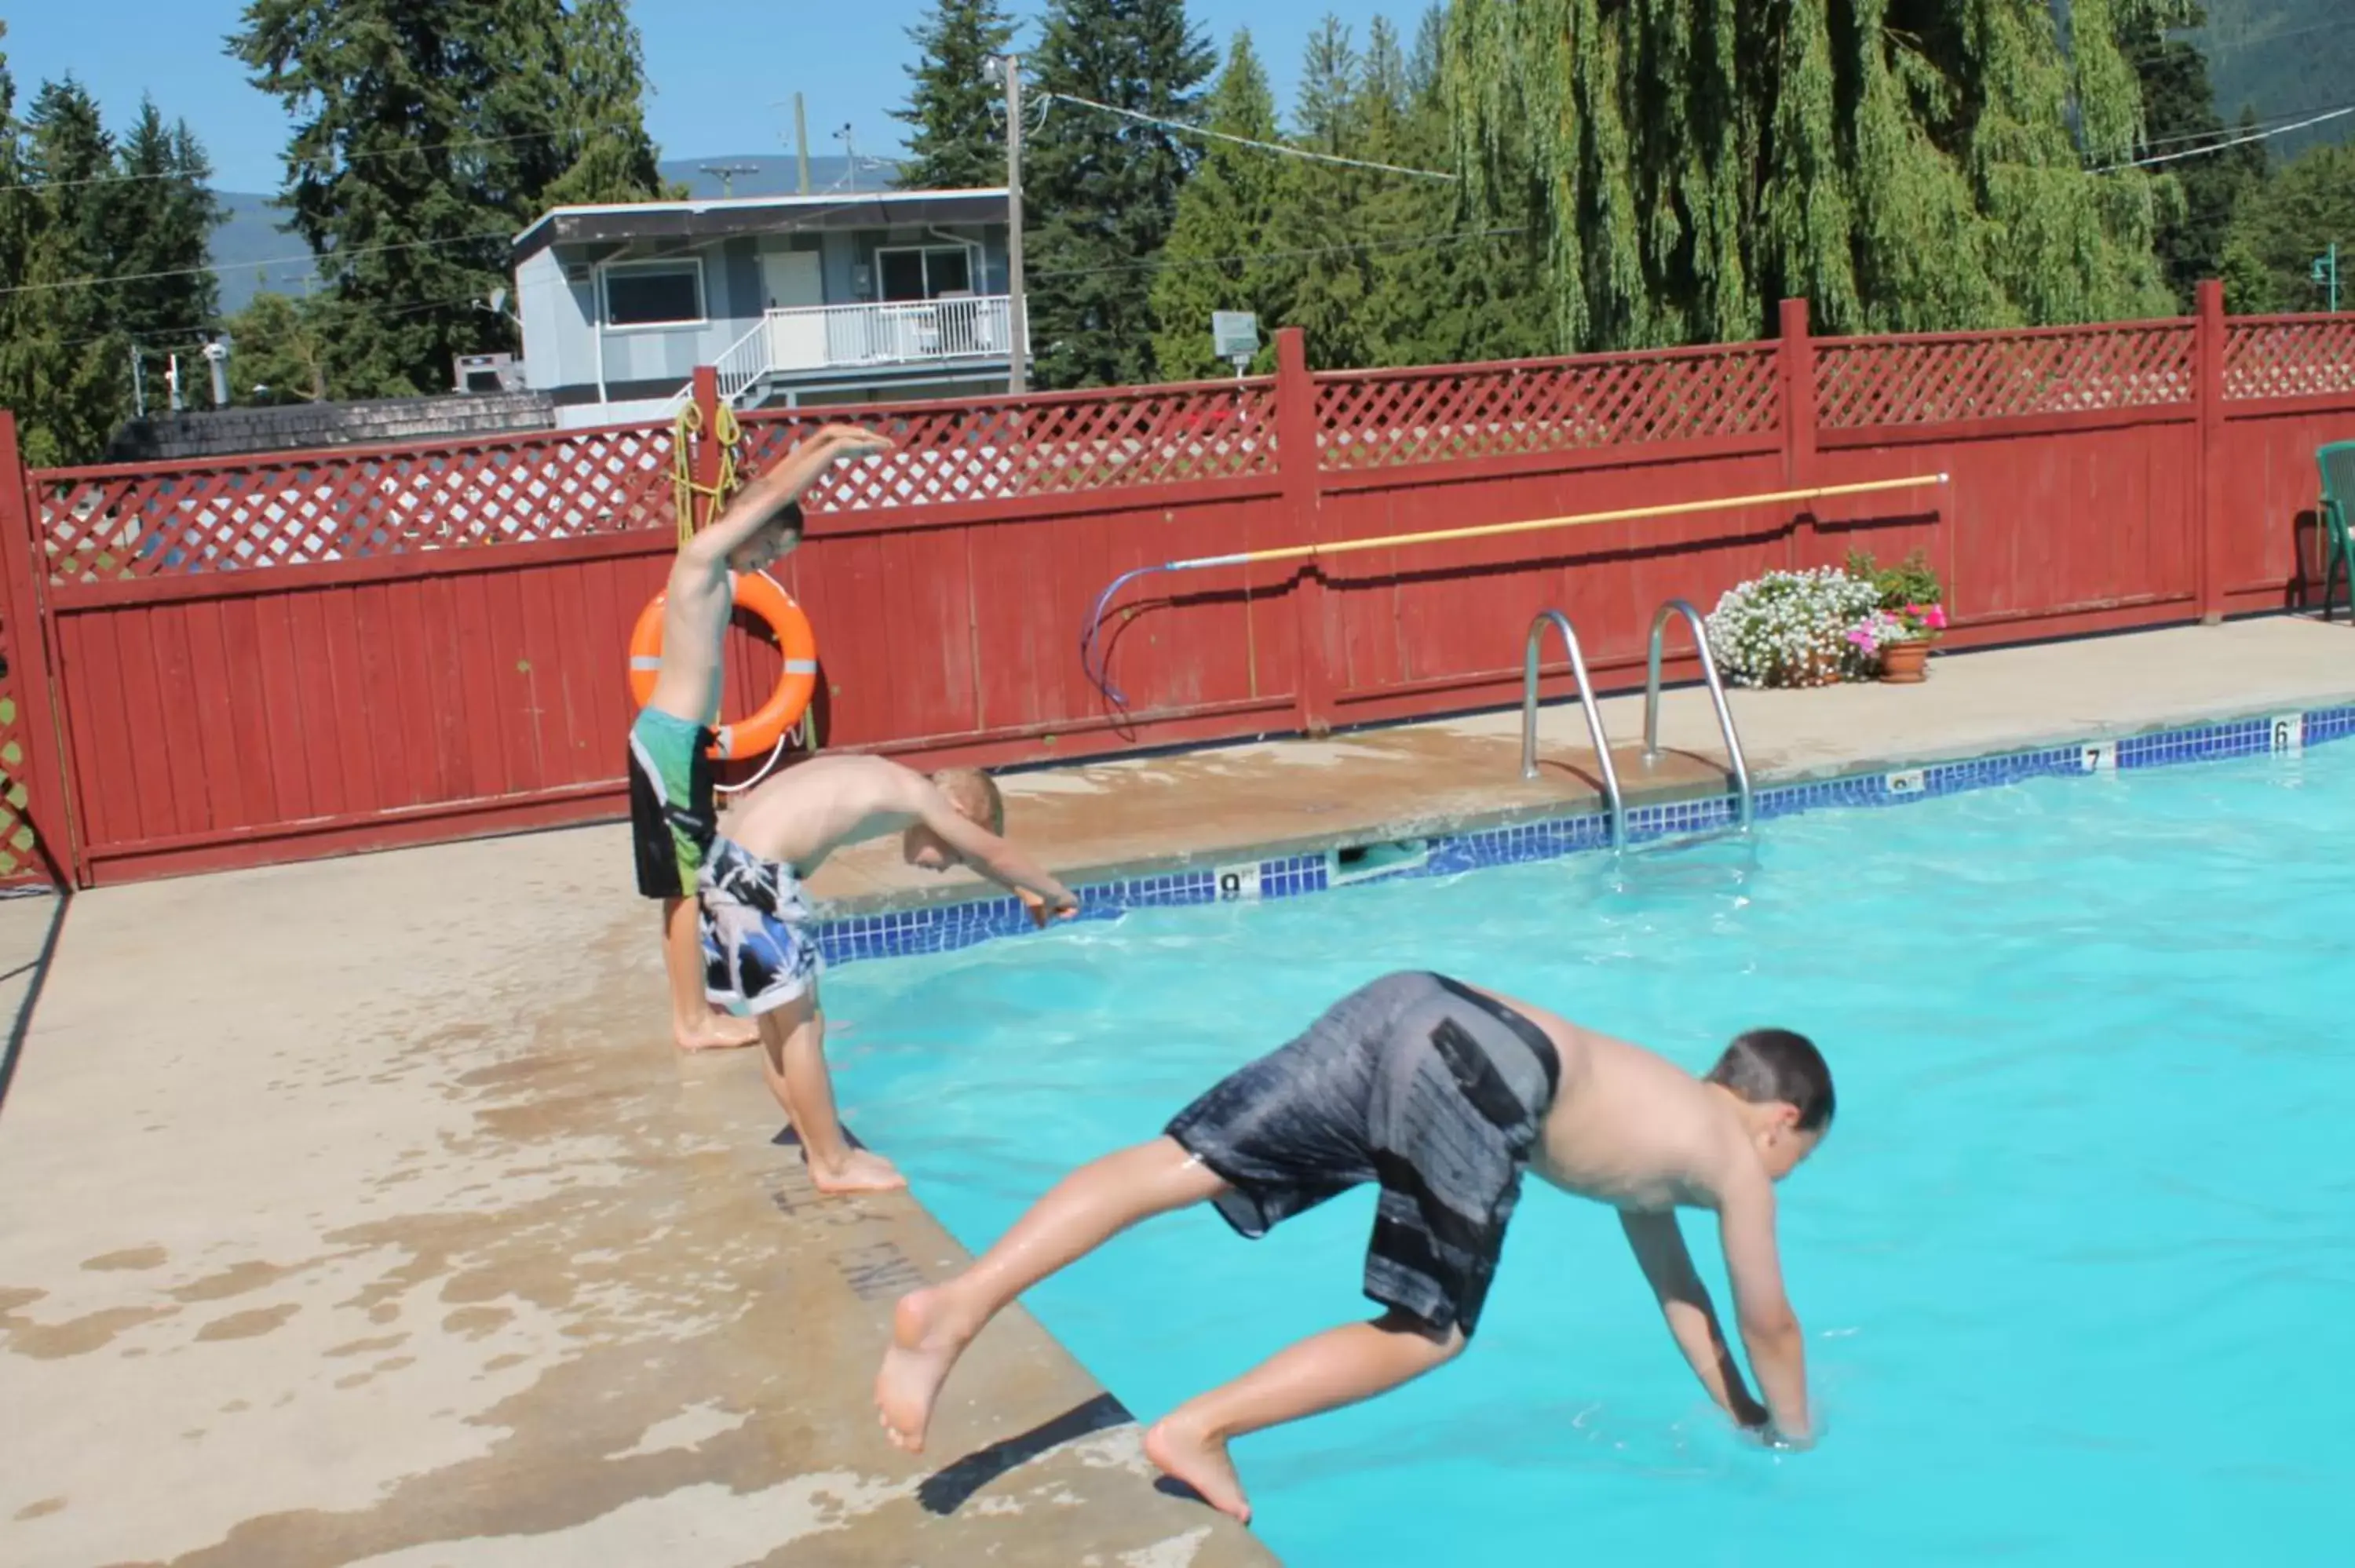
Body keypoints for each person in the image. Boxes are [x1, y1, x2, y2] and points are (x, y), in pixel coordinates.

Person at [873, 971, 1831, 1522]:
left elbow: (1683, 1292)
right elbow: (1769, 1319)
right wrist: (1796, 1433)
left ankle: (956, 1307)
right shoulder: (1734, 1162)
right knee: (1431, 1331)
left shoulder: (1659, 1131)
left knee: (1183, 1164)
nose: (1779, 1179)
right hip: (1485, 1066)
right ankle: (1198, 1428)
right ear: (1780, 1122)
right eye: (1795, 1160)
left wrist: (1739, 1411)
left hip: (1412, 1001)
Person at [700, 753, 1081, 1194]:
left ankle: (816, 1139)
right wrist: (1056, 893)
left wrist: (1017, 888)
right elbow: (994, 851)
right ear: (955, 814)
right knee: (803, 1029)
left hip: (721, 866)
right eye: (954, 852)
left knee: (776, 1028)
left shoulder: (887, 778)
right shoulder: (922, 798)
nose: (945, 865)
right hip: (760, 878)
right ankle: (834, 1165)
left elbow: (982, 857)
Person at [628, 423, 892, 1052]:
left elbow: (765, 491)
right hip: (668, 742)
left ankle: (701, 1009)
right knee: (683, 886)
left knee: (690, 879)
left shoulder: (718, 560)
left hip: (682, 742)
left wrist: (822, 439)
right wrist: (830, 458)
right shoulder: (699, 559)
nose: (766, 565)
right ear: (747, 529)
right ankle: (692, 1022)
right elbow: (767, 498)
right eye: (769, 552)